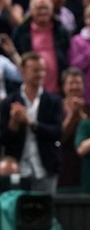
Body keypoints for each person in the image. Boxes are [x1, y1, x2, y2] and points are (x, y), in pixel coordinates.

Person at [0, 52, 63, 194]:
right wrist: (13, 123)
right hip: (18, 168)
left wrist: (31, 123)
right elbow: (3, 138)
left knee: (46, 212)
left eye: (43, 70)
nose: (40, 74)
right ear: (23, 71)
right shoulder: (9, 102)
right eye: (35, 70)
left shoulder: (53, 101)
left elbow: (57, 132)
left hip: (46, 167)